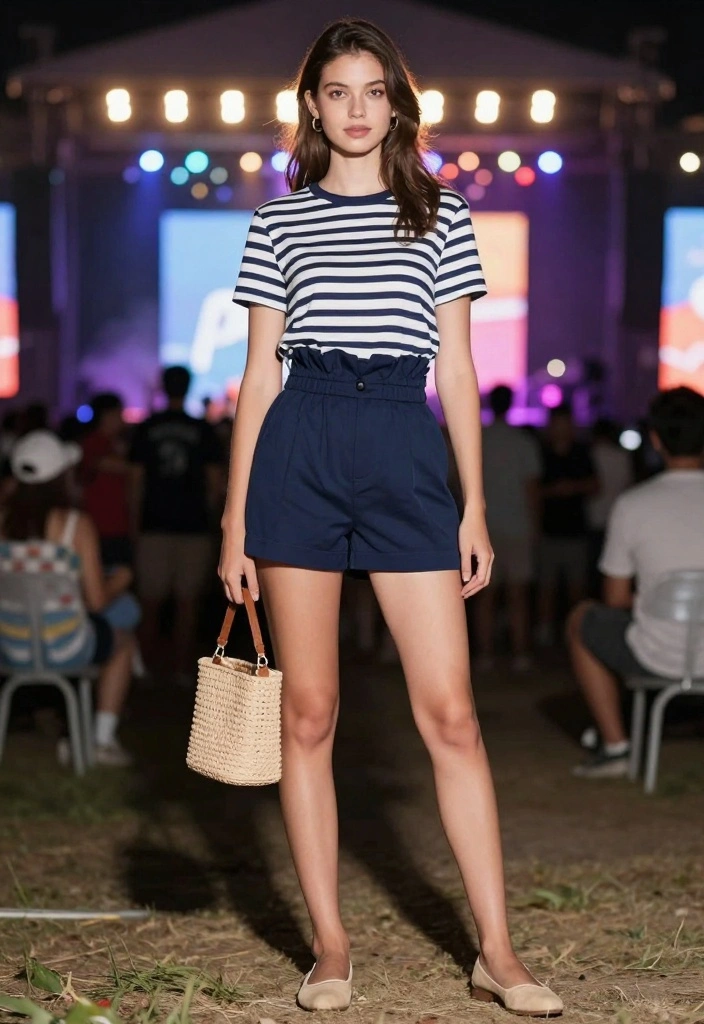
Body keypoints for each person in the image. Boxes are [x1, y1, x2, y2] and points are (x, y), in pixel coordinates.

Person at [218, 18, 562, 1017]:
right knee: (308, 714)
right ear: (313, 105)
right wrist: (236, 519)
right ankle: (330, 947)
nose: (357, 107)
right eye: (338, 90)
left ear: (397, 103)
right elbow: (255, 374)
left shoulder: (442, 214)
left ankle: (495, 950)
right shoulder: (276, 224)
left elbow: (456, 366)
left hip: (403, 451)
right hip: (301, 448)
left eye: (374, 89)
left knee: (449, 713)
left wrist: (474, 505)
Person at [567, 387, 704, 778]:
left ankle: (615, 746)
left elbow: (614, 598)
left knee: (582, 619)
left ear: (656, 439)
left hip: (656, 652)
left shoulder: (633, 505)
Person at [0, 430, 139, 766]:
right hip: (65, 646)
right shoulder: (75, 526)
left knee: (124, 612)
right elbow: (96, 602)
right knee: (123, 637)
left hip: (8, 646)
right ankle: (100, 740)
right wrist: (120, 580)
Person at [128, 366, 223, 683]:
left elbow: (136, 480)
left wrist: (134, 522)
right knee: (188, 603)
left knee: (150, 602)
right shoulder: (203, 430)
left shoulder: (147, 427)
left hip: (154, 524)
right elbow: (214, 482)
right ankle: (182, 668)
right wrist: (210, 518)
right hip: (193, 526)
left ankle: (146, 668)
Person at [475, 385, 541, 672]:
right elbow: (532, 489)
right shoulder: (523, 442)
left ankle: (485, 655)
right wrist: (535, 526)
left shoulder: (478, 439)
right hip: (517, 526)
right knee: (518, 596)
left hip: (483, 528)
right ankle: (520, 655)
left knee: (485, 597)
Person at [535, 404, 598, 647]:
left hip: (575, 531)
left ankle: (576, 636)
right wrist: (553, 491)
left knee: (576, 589)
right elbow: (531, 490)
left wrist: (572, 487)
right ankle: (544, 636)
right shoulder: (541, 452)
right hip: (549, 531)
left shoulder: (582, 452)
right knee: (546, 589)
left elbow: (596, 485)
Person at [80, 393, 133, 570]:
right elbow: (114, 466)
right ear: (107, 415)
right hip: (100, 526)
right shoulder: (92, 443)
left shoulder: (118, 444)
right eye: (119, 413)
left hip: (119, 525)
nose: (122, 418)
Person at [585, 418, 633, 597]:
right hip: (615, 517)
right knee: (616, 567)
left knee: (594, 569)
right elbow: (628, 486)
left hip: (594, 518)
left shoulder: (591, 454)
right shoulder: (621, 456)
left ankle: (597, 601)